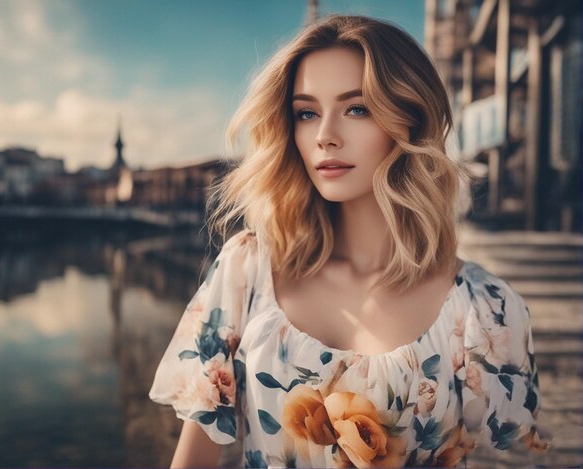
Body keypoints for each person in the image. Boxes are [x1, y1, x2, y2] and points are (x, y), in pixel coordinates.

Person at [149, 14, 551, 468]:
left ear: (409, 122)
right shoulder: (247, 271)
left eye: (357, 108)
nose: (325, 136)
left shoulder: (484, 311)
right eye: (306, 113)